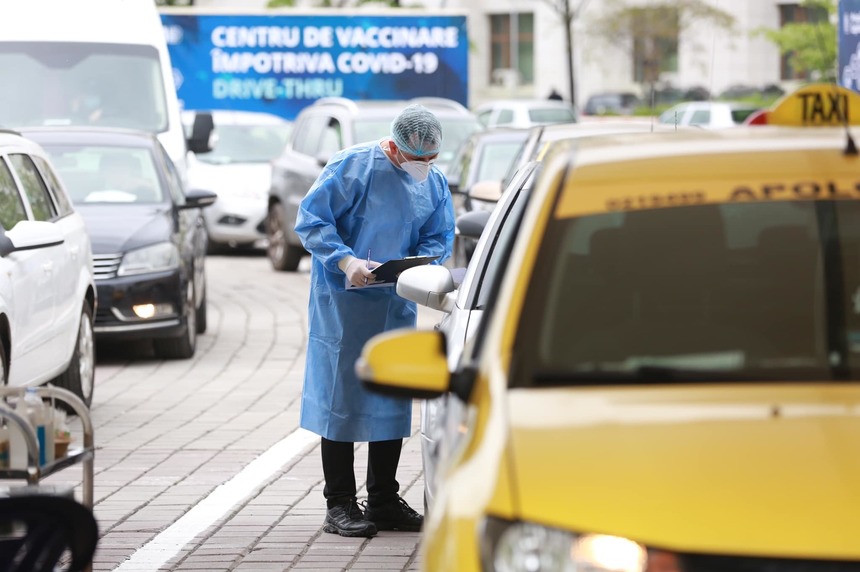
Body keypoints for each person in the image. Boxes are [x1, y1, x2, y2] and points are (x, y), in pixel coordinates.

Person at [294, 104, 455, 538]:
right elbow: (311, 220)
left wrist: (422, 265)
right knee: (340, 397)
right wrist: (345, 261)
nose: (424, 167)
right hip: (343, 300)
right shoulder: (352, 167)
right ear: (395, 147)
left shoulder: (434, 182)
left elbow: (439, 234)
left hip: (395, 299)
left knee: (391, 392)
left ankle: (382, 499)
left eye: (431, 159)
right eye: (417, 158)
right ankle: (340, 502)